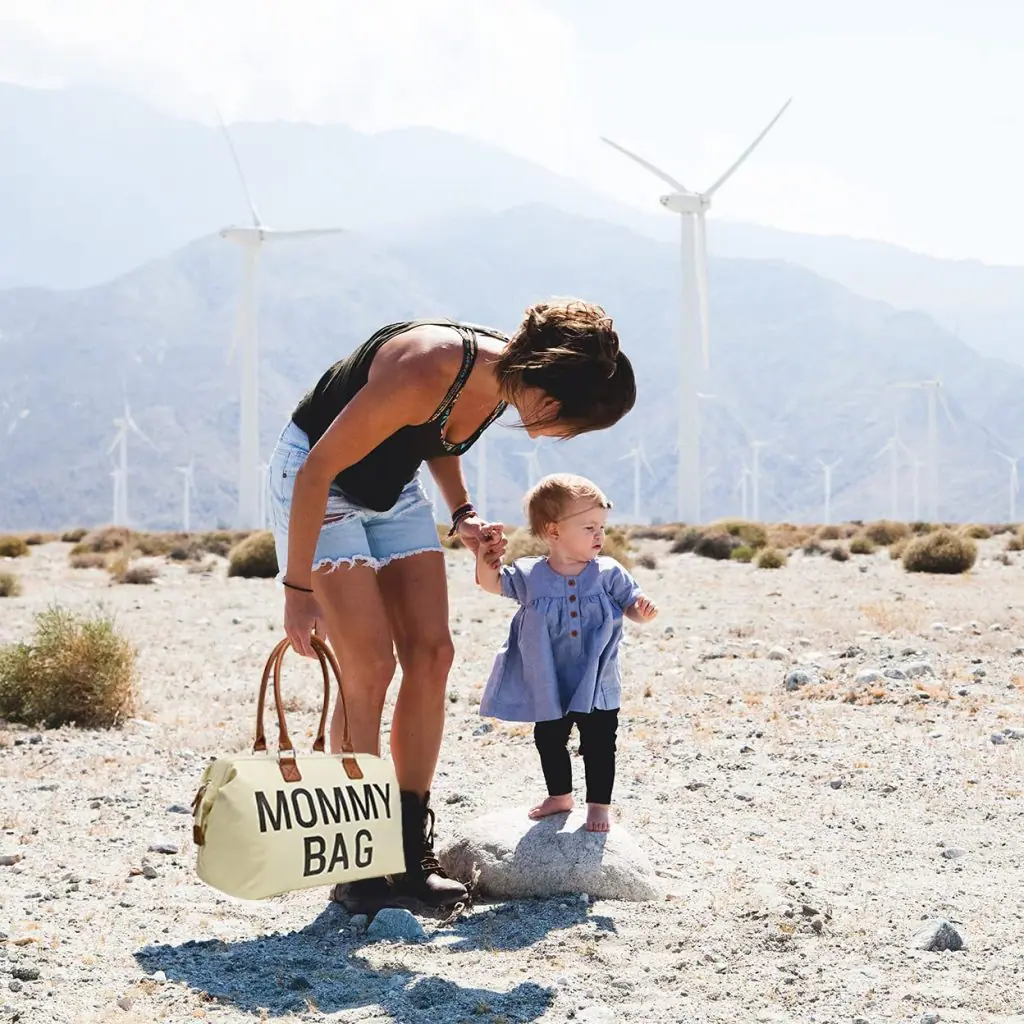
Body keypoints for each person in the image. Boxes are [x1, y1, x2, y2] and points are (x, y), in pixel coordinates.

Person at [267, 300, 636, 910]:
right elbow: (317, 469)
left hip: (393, 490)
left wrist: (462, 513)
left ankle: (408, 857)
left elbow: (438, 435)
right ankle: (358, 862)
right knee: (371, 668)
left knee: (433, 654)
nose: (568, 435)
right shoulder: (428, 366)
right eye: (574, 421)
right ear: (550, 388)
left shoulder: (505, 383)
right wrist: (298, 590)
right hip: (320, 483)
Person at [474, 474, 658, 833]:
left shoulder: (607, 573)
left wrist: (642, 609)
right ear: (553, 532)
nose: (599, 536)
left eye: (602, 527)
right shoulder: (530, 575)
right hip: (550, 680)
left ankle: (599, 805)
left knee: (601, 742)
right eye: (589, 526)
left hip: (597, 681)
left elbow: (630, 603)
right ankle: (560, 795)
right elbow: (490, 583)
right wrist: (485, 556)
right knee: (549, 738)